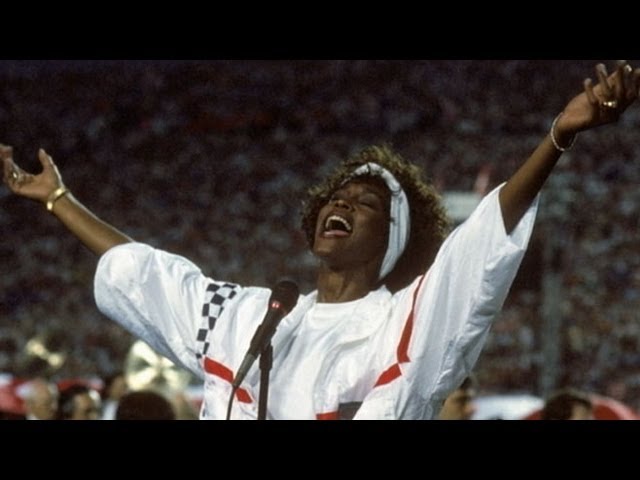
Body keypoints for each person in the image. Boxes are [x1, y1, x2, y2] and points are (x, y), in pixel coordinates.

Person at [2, 62, 639, 419]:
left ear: (394, 241)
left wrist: (557, 136)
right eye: (336, 197)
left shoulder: (405, 323)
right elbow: (147, 272)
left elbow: (480, 245)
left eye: (366, 205)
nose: (342, 204)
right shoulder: (256, 317)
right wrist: (59, 200)